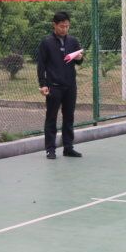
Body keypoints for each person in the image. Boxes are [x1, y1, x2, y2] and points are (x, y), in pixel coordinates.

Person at [37, 11, 84, 159]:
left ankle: (68, 148)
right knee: (51, 118)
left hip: (70, 86)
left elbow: (79, 61)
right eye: (62, 26)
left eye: (67, 26)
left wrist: (79, 58)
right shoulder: (46, 42)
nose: (65, 29)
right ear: (54, 25)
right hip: (54, 86)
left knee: (69, 117)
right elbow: (41, 65)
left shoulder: (73, 41)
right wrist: (43, 84)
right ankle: (50, 149)